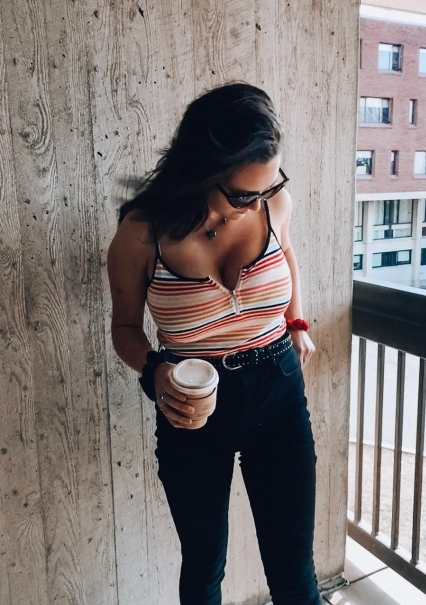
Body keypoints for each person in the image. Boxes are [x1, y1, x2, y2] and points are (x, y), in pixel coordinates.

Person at [107, 82, 321, 605]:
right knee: (205, 567)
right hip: (192, 407)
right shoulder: (143, 232)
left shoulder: (274, 205)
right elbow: (125, 329)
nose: (256, 205)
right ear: (203, 170)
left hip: (278, 392)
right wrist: (155, 372)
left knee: (294, 571)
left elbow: (287, 256)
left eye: (267, 189)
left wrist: (295, 321)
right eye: (242, 195)